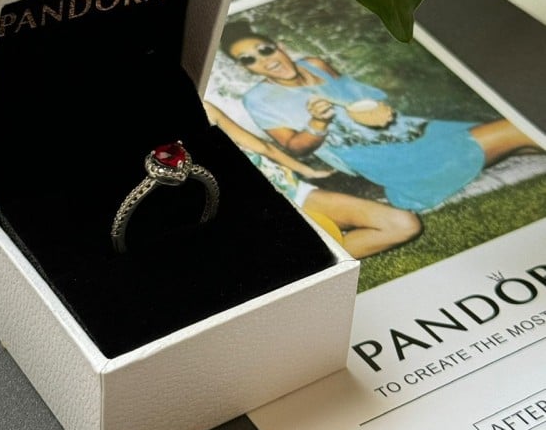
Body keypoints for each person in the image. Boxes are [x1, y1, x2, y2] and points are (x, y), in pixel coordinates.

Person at [220, 20, 539, 215]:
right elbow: (295, 147)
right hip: (391, 159)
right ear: (244, 68)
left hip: (417, 132)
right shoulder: (258, 100)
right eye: (249, 60)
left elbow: (367, 99)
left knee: (527, 142)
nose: (264, 61)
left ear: (278, 45)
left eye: (264, 50)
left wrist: (378, 108)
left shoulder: (316, 64)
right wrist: (318, 124)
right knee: (519, 130)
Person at [204, 99, 421, 258]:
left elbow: (263, 148)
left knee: (404, 224)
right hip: (251, 217)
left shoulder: (204, 107)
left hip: (293, 192)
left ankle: (309, 259)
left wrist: (308, 172)